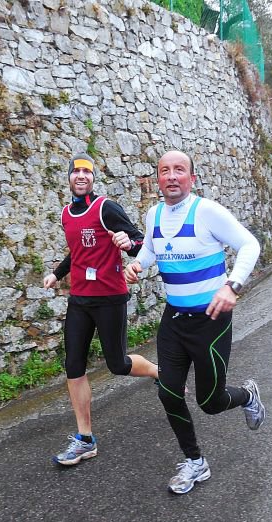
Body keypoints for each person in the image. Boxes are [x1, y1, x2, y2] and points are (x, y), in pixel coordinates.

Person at [123, 150, 265, 495]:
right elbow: (151, 249)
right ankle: (195, 462)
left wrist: (232, 286)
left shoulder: (207, 212)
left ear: (192, 178)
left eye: (179, 170)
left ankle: (247, 396)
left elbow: (250, 244)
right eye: (165, 171)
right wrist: (137, 265)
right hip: (174, 320)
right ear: (157, 179)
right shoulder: (154, 214)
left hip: (211, 322)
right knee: (168, 392)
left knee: (210, 402)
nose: (171, 176)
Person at [44, 152, 158, 467]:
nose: (81, 176)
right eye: (76, 172)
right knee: (73, 365)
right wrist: (57, 274)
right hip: (79, 299)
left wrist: (128, 244)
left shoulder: (106, 208)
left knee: (118, 364)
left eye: (87, 172)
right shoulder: (66, 214)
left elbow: (140, 242)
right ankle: (85, 439)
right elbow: (76, 251)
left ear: (93, 178)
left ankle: (158, 372)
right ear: (69, 177)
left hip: (109, 297)